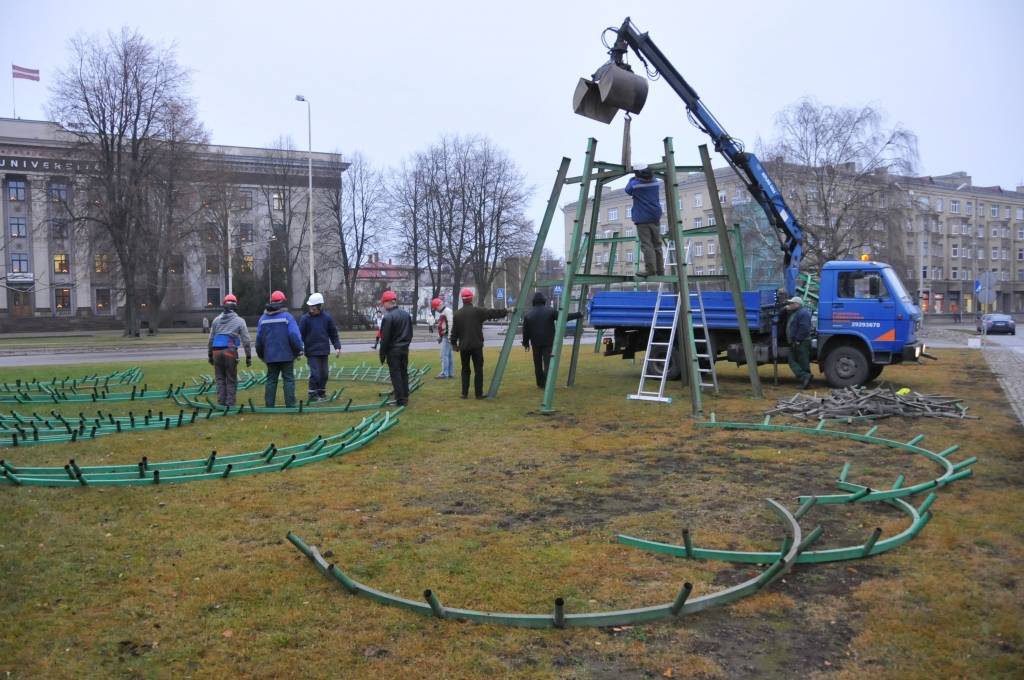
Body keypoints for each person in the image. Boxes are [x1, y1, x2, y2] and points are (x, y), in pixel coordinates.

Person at [450, 288, 509, 399]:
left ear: (462, 300)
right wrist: (506, 311)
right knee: (478, 369)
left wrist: (454, 344)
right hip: (476, 346)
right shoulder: (478, 311)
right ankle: (478, 393)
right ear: (471, 298)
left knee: (465, 369)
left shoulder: (457, 314)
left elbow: (454, 332)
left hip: (464, 347)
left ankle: (464, 393)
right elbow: (492, 313)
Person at [521, 292, 581, 388]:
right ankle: (548, 383)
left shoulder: (528, 315)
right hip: (548, 342)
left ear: (534, 302)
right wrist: (578, 314)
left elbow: (525, 331)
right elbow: (564, 317)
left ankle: (540, 384)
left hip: (535, 343)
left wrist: (525, 343)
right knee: (548, 363)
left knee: (537, 364)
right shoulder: (550, 311)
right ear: (544, 301)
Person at [255, 290, 304, 407]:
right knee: (288, 379)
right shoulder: (288, 317)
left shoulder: (263, 319)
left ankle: (269, 405)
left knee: (271, 380)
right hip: (287, 355)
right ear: (283, 301)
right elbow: (294, 335)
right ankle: (291, 404)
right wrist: (299, 350)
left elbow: (259, 340)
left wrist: (261, 355)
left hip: (270, 356)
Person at [207, 293, 252, 407]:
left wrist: (210, 355)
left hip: (216, 351)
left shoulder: (216, 320)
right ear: (235, 305)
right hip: (230, 351)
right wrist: (248, 357)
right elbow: (246, 340)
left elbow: (211, 339)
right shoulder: (240, 321)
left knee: (220, 378)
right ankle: (230, 404)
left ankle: (221, 403)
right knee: (231, 379)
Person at [299, 292, 341, 402]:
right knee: (315, 374)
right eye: (310, 306)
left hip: (324, 351)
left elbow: (333, 333)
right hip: (312, 352)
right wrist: (300, 348)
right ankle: (312, 394)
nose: (311, 309)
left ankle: (321, 393)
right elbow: (300, 335)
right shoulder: (305, 319)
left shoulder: (327, 318)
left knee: (324, 374)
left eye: (313, 307)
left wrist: (337, 347)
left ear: (319, 306)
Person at [624, 166, 664, 277]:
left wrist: (632, 178)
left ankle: (650, 270)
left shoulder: (635, 184)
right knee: (657, 244)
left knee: (647, 245)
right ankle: (660, 270)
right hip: (655, 216)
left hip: (642, 218)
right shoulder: (655, 182)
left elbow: (627, 190)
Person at [378, 290, 413, 406]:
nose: (383, 306)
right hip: (404, 349)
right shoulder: (406, 315)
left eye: (383, 303)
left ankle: (400, 400)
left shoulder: (388, 317)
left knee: (396, 375)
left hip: (393, 351)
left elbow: (385, 339)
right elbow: (410, 334)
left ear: (387, 302)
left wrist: (382, 354)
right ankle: (405, 395)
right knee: (404, 373)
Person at [785, 296, 813, 389]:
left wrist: (797, 340)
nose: (790, 305)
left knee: (796, 360)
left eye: (791, 303)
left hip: (801, 341)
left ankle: (805, 377)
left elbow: (804, 328)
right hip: (799, 341)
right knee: (802, 361)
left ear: (797, 304)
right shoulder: (798, 312)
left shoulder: (802, 313)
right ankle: (806, 379)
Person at [432, 297, 454, 379]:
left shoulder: (447, 311)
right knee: (448, 355)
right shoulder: (444, 312)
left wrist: (449, 336)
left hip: (447, 336)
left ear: (438, 305)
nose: (436, 310)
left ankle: (445, 373)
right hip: (446, 336)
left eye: (435, 308)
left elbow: (451, 324)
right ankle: (450, 373)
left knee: (444, 355)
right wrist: (440, 336)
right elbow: (442, 326)